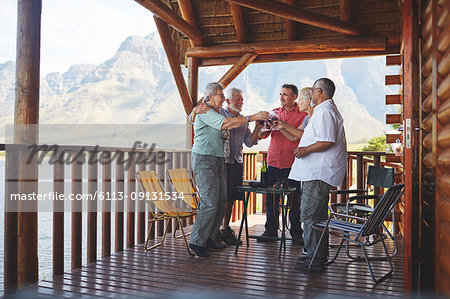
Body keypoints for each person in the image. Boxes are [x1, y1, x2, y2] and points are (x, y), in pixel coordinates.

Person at [189, 82, 268, 258]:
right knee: (210, 201)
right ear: (210, 96)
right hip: (205, 159)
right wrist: (252, 117)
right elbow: (225, 124)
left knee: (221, 200)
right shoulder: (206, 111)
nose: (223, 98)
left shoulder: (211, 111)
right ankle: (196, 242)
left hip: (218, 159)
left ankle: (210, 237)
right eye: (220, 95)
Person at [288, 78, 347, 272]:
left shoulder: (325, 112)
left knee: (310, 214)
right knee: (318, 215)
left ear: (320, 91)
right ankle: (318, 255)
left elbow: (326, 140)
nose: (310, 94)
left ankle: (314, 257)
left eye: (313, 90)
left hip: (318, 173)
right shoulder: (324, 111)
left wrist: (305, 150)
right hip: (316, 172)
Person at [257, 84, 308, 246]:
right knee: (271, 199)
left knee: (295, 200)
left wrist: (281, 127)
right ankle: (271, 231)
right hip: (273, 162)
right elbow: (261, 135)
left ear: (294, 97)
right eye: (280, 94)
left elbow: (297, 137)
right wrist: (262, 127)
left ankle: (296, 232)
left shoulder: (303, 115)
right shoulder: (274, 113)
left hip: (293, 164)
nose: (282, 97)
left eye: (285, 94)